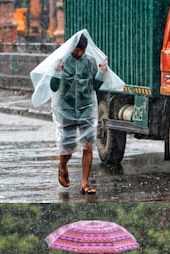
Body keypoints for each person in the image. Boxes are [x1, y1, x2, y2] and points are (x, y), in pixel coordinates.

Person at [51, 34, 108, 195]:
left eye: (82, 50)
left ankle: (84, 183)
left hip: (86, 107)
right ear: (72, 48)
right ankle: (62, 166)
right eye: (77, 50)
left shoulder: (89, 62)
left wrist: (101, 73)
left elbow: (94, 86)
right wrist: (57, 72)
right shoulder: (62, 61)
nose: (80, 53)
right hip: (66, 108)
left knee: (88, 145)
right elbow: (54, 87)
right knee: (68, 146)